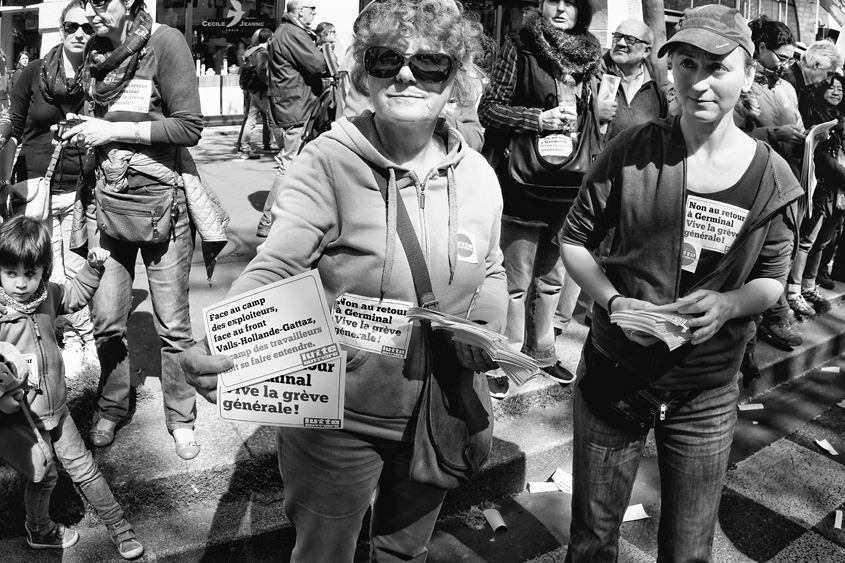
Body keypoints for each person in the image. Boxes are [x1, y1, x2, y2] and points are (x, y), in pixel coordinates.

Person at [181, 1, 506, 561]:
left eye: (431, 64)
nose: (406, 75)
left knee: (404, 552)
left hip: (438, 409)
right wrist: (223, 334)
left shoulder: (477, 176)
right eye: (387, 60)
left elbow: (493, 269)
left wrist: (486, 328)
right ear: (364, 73)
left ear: (457, 80)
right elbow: (279, 259)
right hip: (338, 416)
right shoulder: (326, 162)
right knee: (323, 553)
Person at [559, 5, 801, 561]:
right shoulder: (633, 149)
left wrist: (728, 302)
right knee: (592, 540)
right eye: (686, 63)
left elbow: (772, 280)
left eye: (718, 66)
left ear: (749, 75)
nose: (699, 81)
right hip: (614, 377)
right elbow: (573, 241)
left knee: (689, 547)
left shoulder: (773, 177)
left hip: (706, 393)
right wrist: (616, 303)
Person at [59, 0, 207, 460]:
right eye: (86, 2)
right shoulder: (98, 52)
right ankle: (111, 405)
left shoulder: (166, 42)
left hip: (164, 208)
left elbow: (189, 127)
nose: (93, 11)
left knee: (174, 326)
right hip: (109, 206)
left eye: (102, 2)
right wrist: (83, 130)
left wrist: (112, 132)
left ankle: (180, 417)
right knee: (106, 322)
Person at [478, 0, 608, 395]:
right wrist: (537, 119)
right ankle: (509, 356)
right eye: (555, 0)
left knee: (553, 278)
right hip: (523, 181)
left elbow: (588, 119)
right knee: (515, 280)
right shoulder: (520, 45)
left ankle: (544, 352)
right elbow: (489, 110)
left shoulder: (589, 57)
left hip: (570, 183)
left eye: (572, 3)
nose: (562, 8)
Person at [0, 216, 144, 560]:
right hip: (21, 417)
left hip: (58, 409)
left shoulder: (48, 294)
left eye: (30, 273)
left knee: (85, 468)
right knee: (43, 476)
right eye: (10, 273)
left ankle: (119, 527)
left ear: (44, 271)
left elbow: (75, 297)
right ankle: (40, 530)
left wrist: (93, 269)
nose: (21, 284)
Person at [5, 0, 97, 380]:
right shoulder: (32, 73)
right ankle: (44, 345)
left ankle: (81, 342)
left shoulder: (100, 77)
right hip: (36, 188)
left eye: (87, 28)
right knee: (40, 270)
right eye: (72, 26)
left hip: (81, 189)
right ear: (61, 30)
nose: (80, 33)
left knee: (74, 271)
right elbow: (13, 123)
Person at [733, 16, 805, 382]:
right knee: (744, 267)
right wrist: (775, 131)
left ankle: (771, 319)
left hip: (783, 182)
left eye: (792, 57)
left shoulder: (787, 85)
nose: (787, 64)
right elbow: (733, 135)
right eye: (780, 56)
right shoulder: (741, 83)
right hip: (748, 186)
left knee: (775, 258)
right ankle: (744, 351)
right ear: (758, 49)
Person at [256, 0, 328, 238]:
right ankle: (268, 221)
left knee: (297, 163)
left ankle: (295, 214)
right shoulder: (293, 33)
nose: (314, 12)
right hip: (295, 107)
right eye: (312, 8)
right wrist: (325, 48)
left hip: (290, 105)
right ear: (300, 10)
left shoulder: (285, 31)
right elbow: (318, 64)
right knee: (289, 164)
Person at [785, 74, 845, 318]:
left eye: (840, 89)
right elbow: (820, 156)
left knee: (823, 241)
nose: (835, 92)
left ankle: (810, 286)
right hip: (820, 186)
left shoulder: (841, 119)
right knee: (807, 240)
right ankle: (794, 290)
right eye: (831, 87)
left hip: (838, 192)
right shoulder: (814, 116)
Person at [599, 18, 668, 142]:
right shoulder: (593, 75)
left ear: (646, 51)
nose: (620, 43)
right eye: (618, 36)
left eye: (630, 39)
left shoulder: (660, 85)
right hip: (600, 159)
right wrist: (593, 112)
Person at [782, 39, 841, 127]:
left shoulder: (803, 82)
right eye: (829, 74)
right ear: (816, 64)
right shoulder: (789, 79)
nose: (828, 80)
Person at [238, 28, 278, 160]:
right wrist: (271, 84)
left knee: (251, 119)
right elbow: (261, 72)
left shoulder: (250, 51)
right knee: (274, 117)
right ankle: (282, 146)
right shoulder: (264, 53)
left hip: (252, 90)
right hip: (262, 91)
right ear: (268, 39)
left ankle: (245, 147)